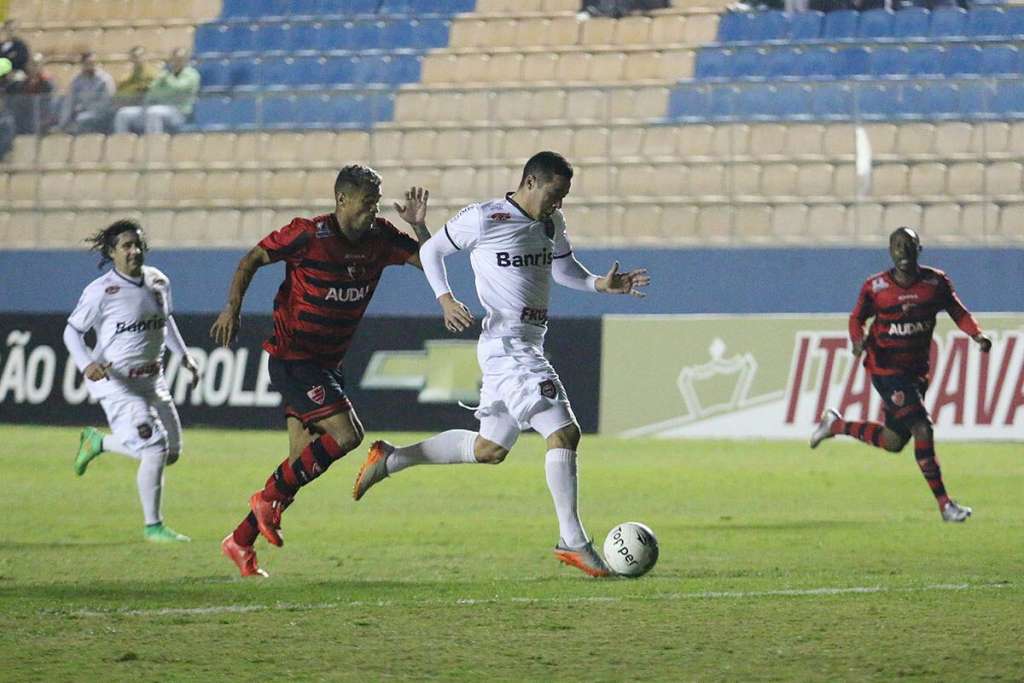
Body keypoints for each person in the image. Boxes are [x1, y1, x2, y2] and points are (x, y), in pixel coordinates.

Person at [351, 151, 650, 577]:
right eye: (555, 193)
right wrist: (446, 298)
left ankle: (391, 458)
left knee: (488, 449)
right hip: (508, 346)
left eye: (565, 196)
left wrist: (599, 283)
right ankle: (573, 540)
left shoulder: (551, 223)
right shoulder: (486, 217)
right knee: (563, 432)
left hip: (526, 342)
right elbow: (433, 251)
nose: (560, 203)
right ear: (531, 181)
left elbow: (562, 268)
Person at [212, 167, 431, 578]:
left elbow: (429, 263)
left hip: (329, 363)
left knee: (299, 464)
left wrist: (420, 228)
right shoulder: (308, 235)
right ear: (342, 200)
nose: (374, 210)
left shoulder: (381, 238)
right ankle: (265, 499)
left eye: (377, 203)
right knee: (348, 435)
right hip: (293, 357)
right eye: (369, 203)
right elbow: (253, 258)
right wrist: (232, 307)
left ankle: (240, 541)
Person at [810, 226, 992, 522]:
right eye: (897, 246)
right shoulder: (876, 287)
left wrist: (977, 335)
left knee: (894, 441)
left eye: (908, 245)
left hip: (916, 372)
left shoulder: (935, 282)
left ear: (918, 249)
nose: (902, 251)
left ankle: (835, 425)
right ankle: (946, 505)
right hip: (885, 368)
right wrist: (857, 340)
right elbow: (857, 317)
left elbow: (958, 312)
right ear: (890, 251)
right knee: (923, 428)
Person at [63, 219, 201, 542]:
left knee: (171, 452)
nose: (134, 251)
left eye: (138, 244)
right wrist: (86, 364)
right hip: (116, 382)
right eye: (126, 245)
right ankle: (153, 527)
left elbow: (165, 322)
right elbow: (71, 332)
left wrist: (184, 356)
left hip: (153, 380)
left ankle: (98, 442)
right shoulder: (100, 291)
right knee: (154, 447)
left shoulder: (159, 281)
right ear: (112, 252)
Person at [113, 48, 199, 135]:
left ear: (186, 60)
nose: (176, 62)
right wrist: (164, 89)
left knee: (153, 113)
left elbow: (177, 88)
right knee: (123, 114)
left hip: (179, 113)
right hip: (159, 108)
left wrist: (167, 78)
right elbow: (153, 91)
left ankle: (155, 145)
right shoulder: (165, 74)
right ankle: (123, 145)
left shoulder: (191, 74)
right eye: (174, 59)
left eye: (180, 59)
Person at [59, 51, 115, 134]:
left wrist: (87, 109)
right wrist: (63, 123)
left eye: (93, 63)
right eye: (88, 63)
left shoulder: (104, 79)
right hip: (83, 114)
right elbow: (69, 102)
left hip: (103, 114)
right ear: (82, 65)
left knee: (81, 119)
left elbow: (107, 101)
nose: (91, 66)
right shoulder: (76, 81)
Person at [6, 52, 55, 134]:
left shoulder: (47, 84)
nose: (33, 67)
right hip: (24, 119)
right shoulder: (20, 84)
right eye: (31, 64)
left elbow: (48, 103)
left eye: (36, 65)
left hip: (40, 118)